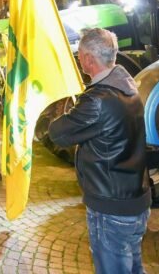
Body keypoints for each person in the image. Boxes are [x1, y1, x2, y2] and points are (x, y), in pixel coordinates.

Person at [49, 28, 150, 274]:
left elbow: (57, 133)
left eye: (80, 54)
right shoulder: (130, 88)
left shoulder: (97, 100)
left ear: (88, 60)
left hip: (111, 207)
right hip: (137, 200)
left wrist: (72, 107)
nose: (79, 59)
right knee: (135, 267)